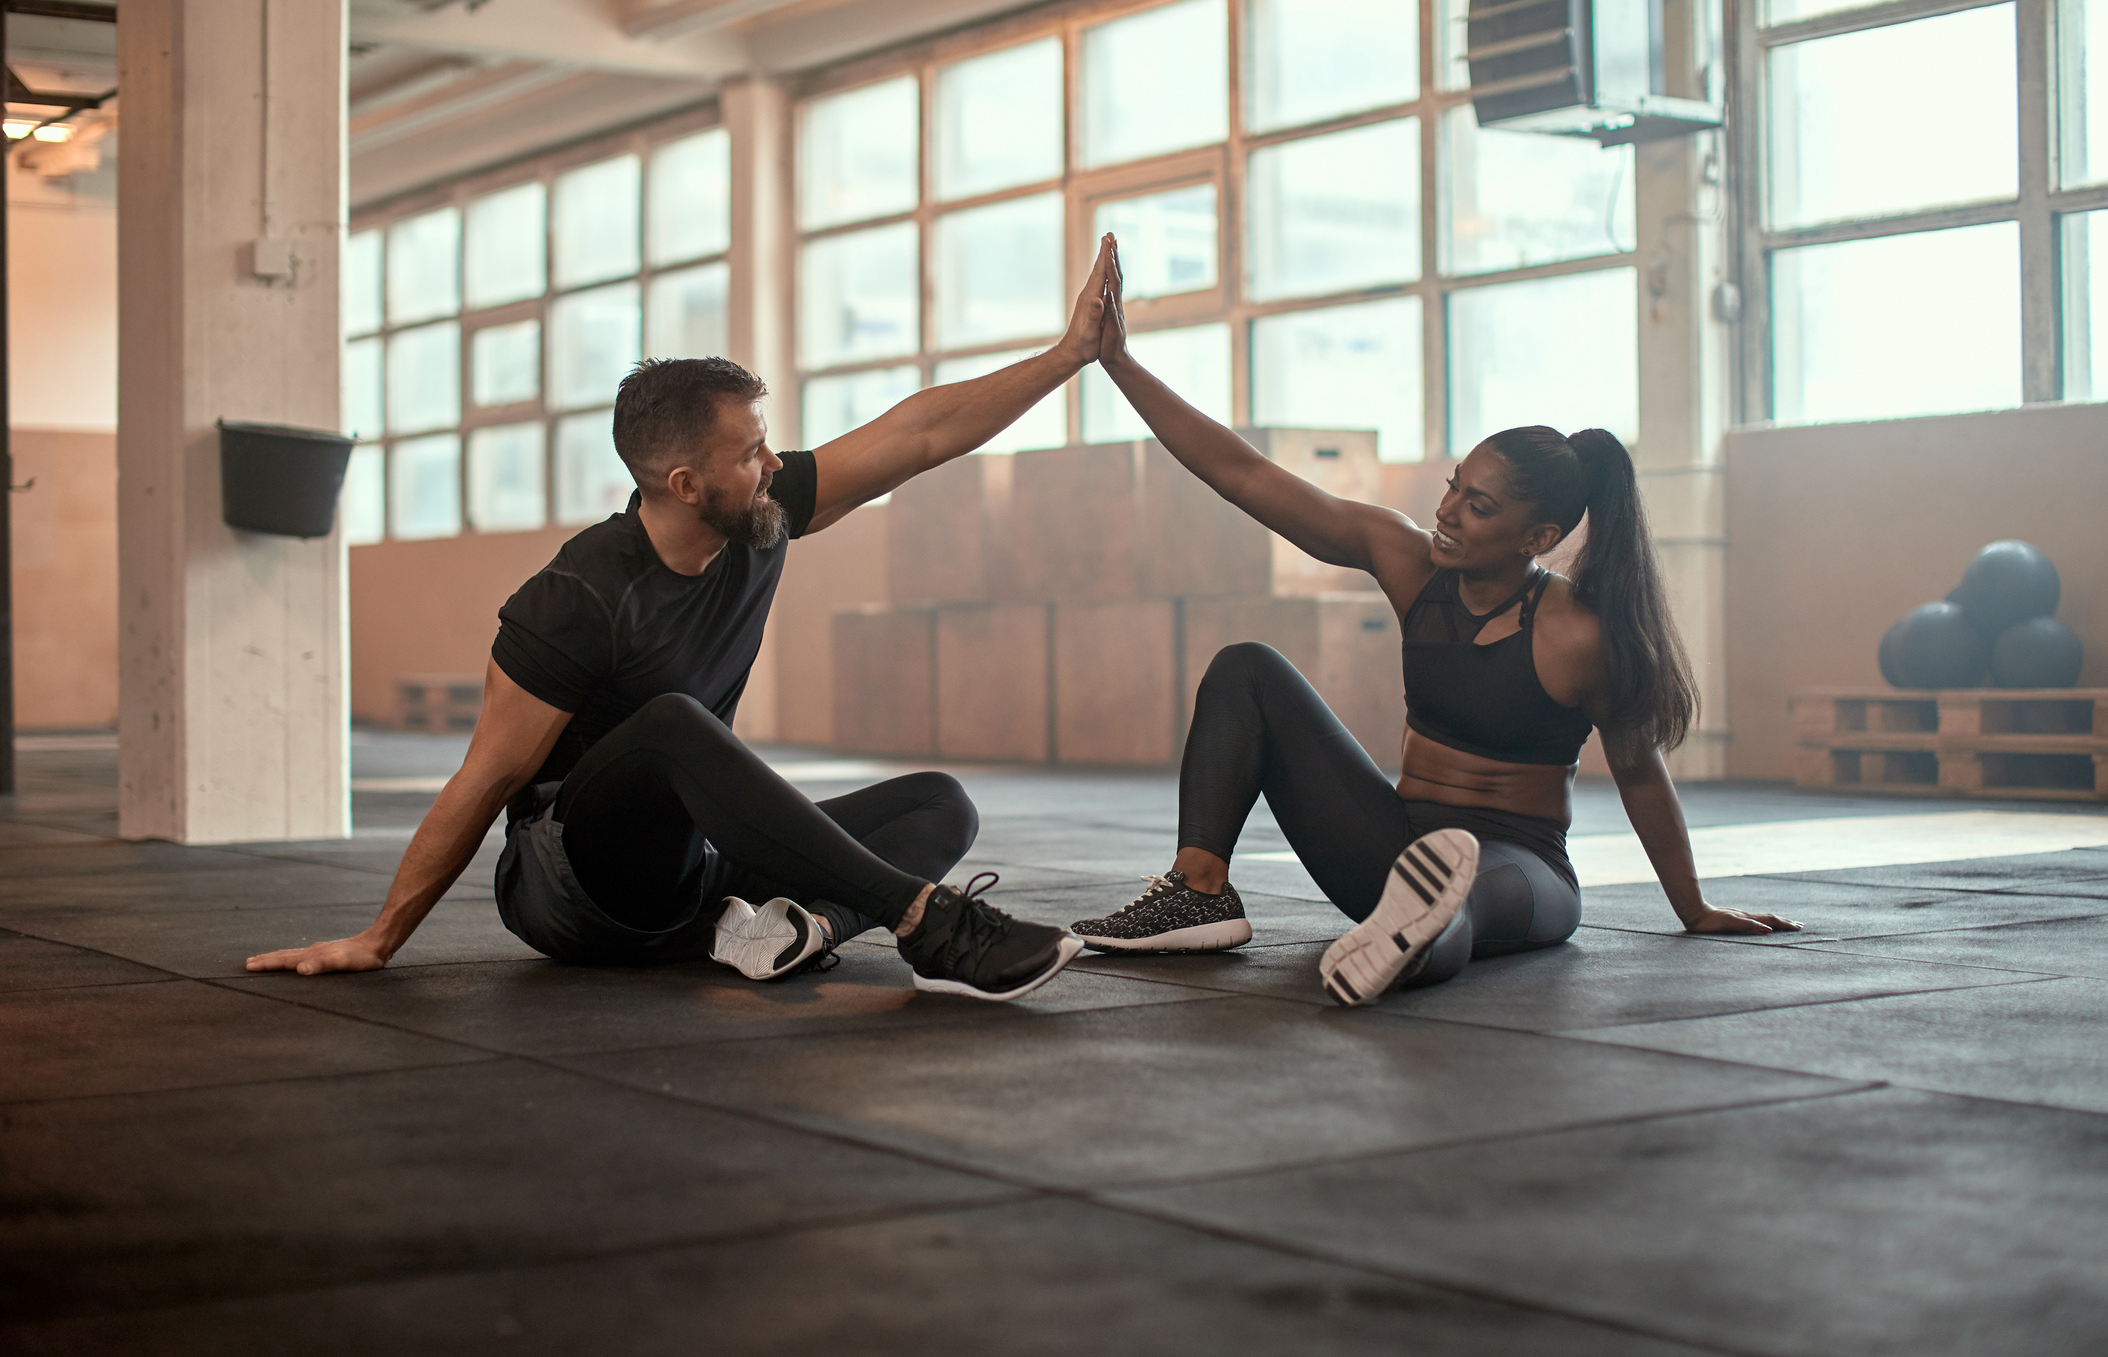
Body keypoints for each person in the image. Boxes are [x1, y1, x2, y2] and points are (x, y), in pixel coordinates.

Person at [246, 241, 1125, 1002]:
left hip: (691, 872)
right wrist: (378, 938)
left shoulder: (761, 516)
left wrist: (1066, 356)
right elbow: (481, 782)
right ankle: (924, 919)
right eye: (750, 453)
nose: (773, 461)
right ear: (684, 485)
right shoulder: (579, 595)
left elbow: (922, 433)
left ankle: (795, 930)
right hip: (575, 889)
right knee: (670, 725)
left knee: (940, 803)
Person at [1069, 240, 1800, 1003]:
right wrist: (1119, 364)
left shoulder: (1575, 634)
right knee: (1246, 669)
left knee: (1463, 900)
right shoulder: (1409, 561)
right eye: (1455, 487)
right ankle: (1200, 891)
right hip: (1392, 843)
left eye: (1478, 506)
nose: (1447, 512)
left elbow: (1641, 771)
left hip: (1520, 870)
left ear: (1538, 539)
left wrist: (1695, 909)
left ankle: (1409, 942)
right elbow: (1246, 476)